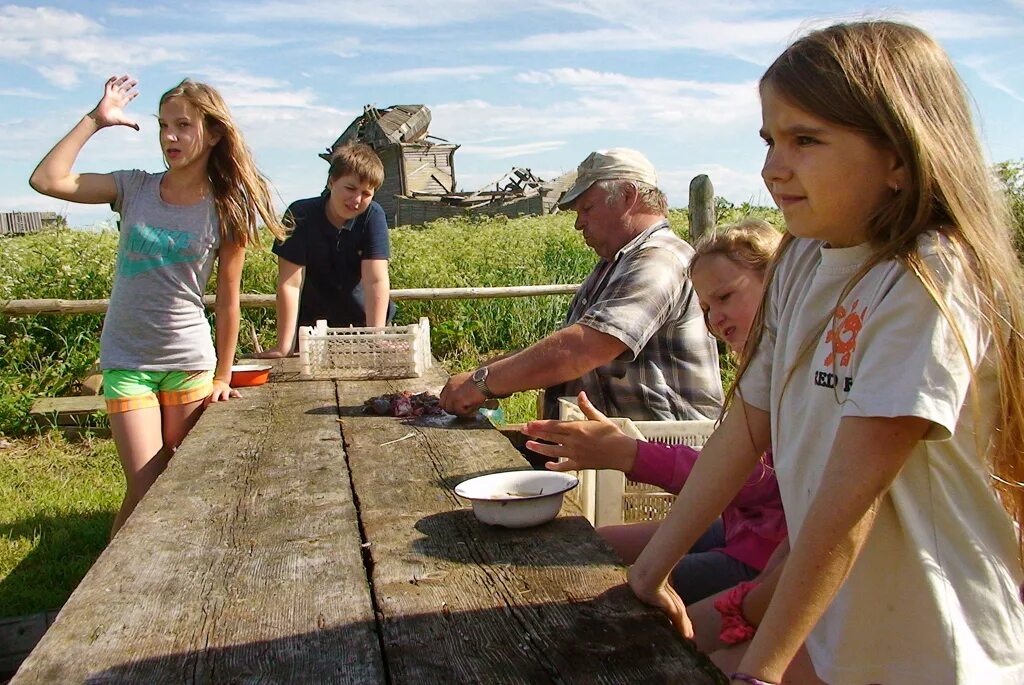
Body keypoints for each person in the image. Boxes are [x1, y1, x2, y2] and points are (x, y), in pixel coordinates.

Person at [620, 21, 1024, 685]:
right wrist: (649, 570)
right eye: (771, 139)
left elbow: (852, 498)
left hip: (938, 645)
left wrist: (763, 669)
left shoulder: (928, 278)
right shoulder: (804, 258)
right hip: (843, 625)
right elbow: (747, 424)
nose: (773, 167)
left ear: (899, 155)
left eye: (806, 140)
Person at [29, 76, 285, 536]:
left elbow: (229, 302)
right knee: (146, 483)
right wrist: (95, 119)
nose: (170, 136)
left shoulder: (227, 207)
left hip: (188, 362)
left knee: (179, 481)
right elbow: (47, 180)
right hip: (127, 359)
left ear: (213, 132)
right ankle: (107, 594)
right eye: (164, 125)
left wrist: (223, 376)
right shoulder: (134, 188)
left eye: (183, 125)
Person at [523, 219, 786, 605]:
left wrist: (630, 455)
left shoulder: (795, 373)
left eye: (726, 297)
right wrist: (628, 448)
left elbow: (755, 480)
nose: (715, 320)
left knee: (596, 591)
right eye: (707, 308)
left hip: (765, 558)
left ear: (779, 283)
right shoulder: (761, 365)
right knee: (583, 547)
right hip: (741, 528)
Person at [440, 148, 723, 427]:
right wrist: (485, 374)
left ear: (627, 196)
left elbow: (584, 348)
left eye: (587, 208)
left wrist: (482, 383)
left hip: (666, 457)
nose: (578, 223)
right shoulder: (615, 262)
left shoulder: (660, 258)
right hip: (621, 452)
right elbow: (570, 343)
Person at [256, 142, 392, 358]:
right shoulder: (300, 214)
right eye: (350, 188)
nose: (356, 200)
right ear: (331, 182)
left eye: (366, 193)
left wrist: (376, 338)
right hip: (310, 330)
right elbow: (290, 283)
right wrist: (284, 346)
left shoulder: (373, 216)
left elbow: (375, 280)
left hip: (361, 324)